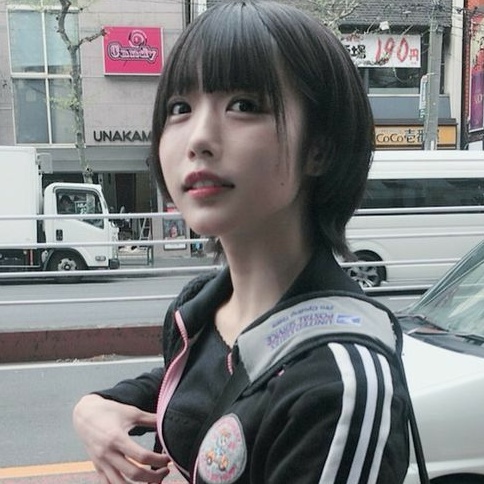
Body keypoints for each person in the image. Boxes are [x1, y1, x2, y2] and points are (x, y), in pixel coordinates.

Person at [73, 1, 418, 483]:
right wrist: (94, 407)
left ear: (319, 148)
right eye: (179, 108)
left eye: (244, 105)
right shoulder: (199, 309)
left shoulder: (341, 383)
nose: (198, 138)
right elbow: (202, 387)